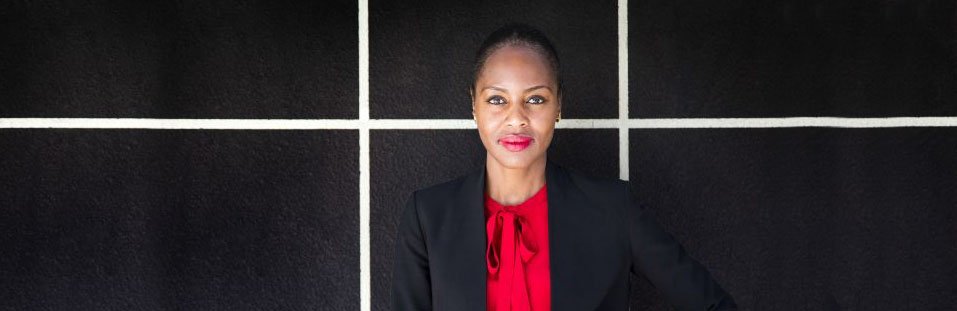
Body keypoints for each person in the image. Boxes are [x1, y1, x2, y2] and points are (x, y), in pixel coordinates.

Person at [392, 23, 737, 310]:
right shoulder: (428, 217)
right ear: (474, 106)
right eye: (497, 99)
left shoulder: (612, 209)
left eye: (536, 99)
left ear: (559, 105)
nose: (516, 118)